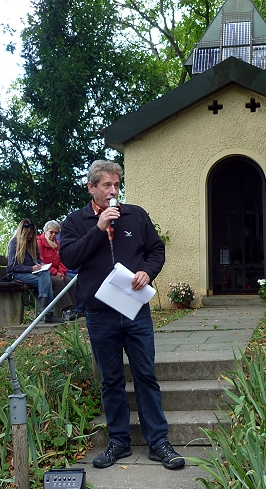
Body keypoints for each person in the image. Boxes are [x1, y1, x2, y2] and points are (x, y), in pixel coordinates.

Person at [59, 160, 184, 470]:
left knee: (145, 375)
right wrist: (99, 229)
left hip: (136, 311)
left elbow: (156, 250)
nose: (114, 191)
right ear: (91, 188)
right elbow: (70, 257)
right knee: (112, 380)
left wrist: (147, 271)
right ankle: (119, 442)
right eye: (107, 186)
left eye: (117, 185)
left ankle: (158, 443)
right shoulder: (77, 221)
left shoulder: (136, 215)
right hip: (100, 314)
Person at [6, 218, 63, 324]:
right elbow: (11, 267)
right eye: (28, 234)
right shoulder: (14, 243)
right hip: (18, 274)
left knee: (45, 273)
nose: (30, 236)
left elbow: (37, 259)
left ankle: (43, 306)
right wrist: (31, 268)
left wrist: (40, 264)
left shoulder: (32, 243)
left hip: (33, 272)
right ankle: (48, 312)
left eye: (32, 234)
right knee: (46, 282)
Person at [37, 220, 79, 322]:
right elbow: (41, 261)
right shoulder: (39, 242)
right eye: (51, 232)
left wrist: (61, 272)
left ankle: (73, 309)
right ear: (46, 231)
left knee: (70, 281)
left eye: (56, 233)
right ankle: (66, 310)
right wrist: (55, 273)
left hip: (56, 272)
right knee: (59, 282)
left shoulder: (56, 244)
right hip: (44, 272)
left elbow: (61, 260)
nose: (53, 235)